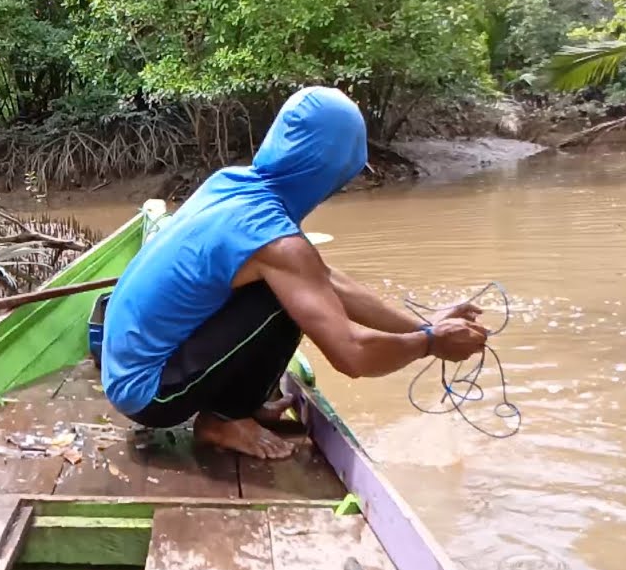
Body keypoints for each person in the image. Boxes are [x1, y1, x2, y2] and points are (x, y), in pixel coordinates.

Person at [98, 86, 488, 459]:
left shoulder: (232, 183)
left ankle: (238, 404)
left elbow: (324, 278)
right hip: (149, 394)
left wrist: (420, 324)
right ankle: (223, 419)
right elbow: (353, 354)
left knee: (295, 287)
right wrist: (429, 343)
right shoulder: (277, 242)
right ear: (332, 168)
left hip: (124, 367)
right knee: (281, 299)